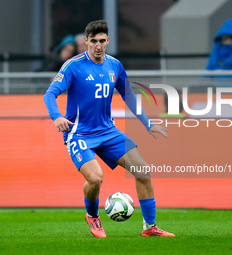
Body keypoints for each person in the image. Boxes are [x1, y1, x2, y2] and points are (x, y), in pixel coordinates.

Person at [43, 20, 175, 238]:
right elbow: (50, 94)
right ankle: (93, 216)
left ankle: (149, 227)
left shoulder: (114, 65)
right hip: (79, 133)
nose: (98, 45)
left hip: (108, 131)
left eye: (102, 41)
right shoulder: (72, 66)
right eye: (93, 41)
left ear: (108, 41)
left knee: (143, 171)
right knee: (95, 179)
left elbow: (128, 95)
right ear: (86, 41)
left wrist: (148, 123)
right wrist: (56, 117)